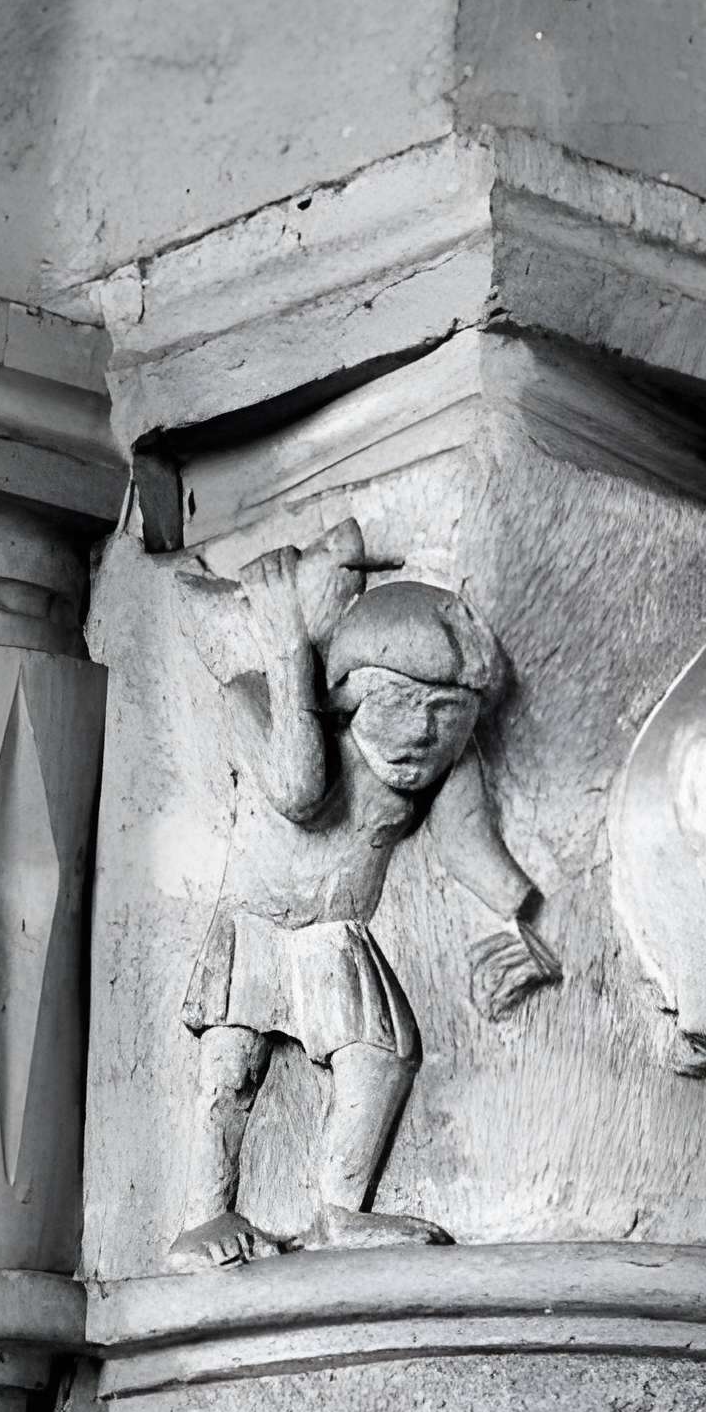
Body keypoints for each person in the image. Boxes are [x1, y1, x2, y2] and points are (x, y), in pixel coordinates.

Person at [171, 529, 558, 1271]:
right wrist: (287, 647)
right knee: (230, 1069)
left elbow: (468, 846)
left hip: (334, 936)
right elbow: (299, 792)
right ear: (348, 692)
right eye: (401, 703)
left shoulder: (442, 767)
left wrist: (519, 922)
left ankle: (340, 1209)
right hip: (256, 924)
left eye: (447, 714)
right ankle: (202, 1214)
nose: (420, 732)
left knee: (382, 1057)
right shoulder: (253, 701)